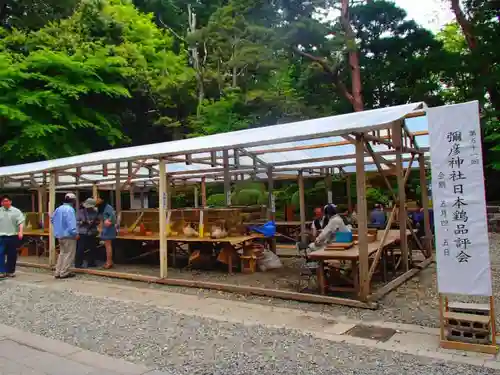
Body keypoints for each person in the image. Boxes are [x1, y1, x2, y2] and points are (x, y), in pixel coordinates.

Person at [52, 192, 78, 279]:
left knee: (62, 253)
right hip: (69, 235)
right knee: (69, 254)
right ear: (73, 201)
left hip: (59, 235)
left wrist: (58, 228)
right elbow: (71, 223)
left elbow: (52, 219)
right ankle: (64, 272)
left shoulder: (58, 209)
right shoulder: (70, 210)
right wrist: (75, 233)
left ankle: (57, 272)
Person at [0, 195, 24, 278]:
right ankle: (1, 271)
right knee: (0, 253)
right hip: (1, 236)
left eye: (7, 201)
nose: (5, 203)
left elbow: (20, 222)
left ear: (10, 202)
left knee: (12, 254)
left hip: (12, 235)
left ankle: (10, 271)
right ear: (1, 202)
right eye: (3, 201)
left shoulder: (16, 211)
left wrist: (21, 231)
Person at [75, 198, 100, 268]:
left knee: (93, 248)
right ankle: (78, 264)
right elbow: (76, 222)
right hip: (82, 232)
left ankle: (91, 262)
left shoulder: (95, 212)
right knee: (81, 248)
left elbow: (98, 221)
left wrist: (95, 222)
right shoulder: (80, 212)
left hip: (92, 232)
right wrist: (83, 222)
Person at [96, 197, 117, 269]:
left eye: (98, 198)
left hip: (109, 228)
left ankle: (109, 262)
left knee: (108, 245)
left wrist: (109, 221)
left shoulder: (108, 207)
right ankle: (110, 261)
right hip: (104, 228)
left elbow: (113, 218)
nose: (97, 199)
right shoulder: (102, 207)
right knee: (107, 245)